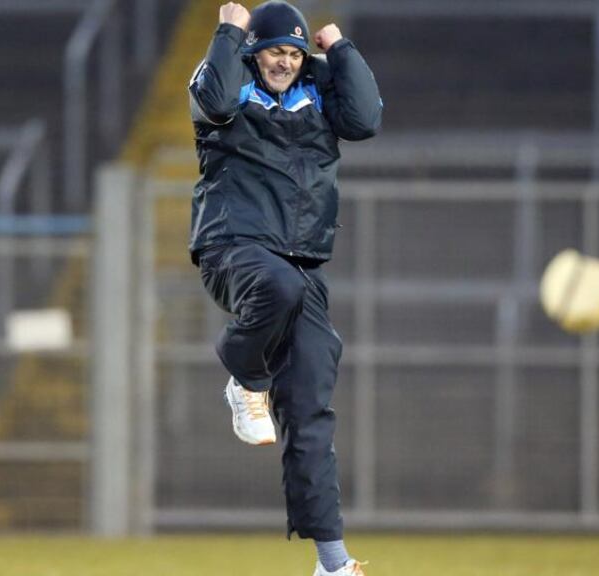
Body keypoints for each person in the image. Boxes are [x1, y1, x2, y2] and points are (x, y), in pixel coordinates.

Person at [187, 1, 382, 574]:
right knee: (279, 286)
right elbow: (213, 99)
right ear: (254, 49)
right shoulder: (228, 84)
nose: (285, 62)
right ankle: (243, 375)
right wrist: (228, 31)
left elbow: (365, 118)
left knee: (310, 405)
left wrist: (340, 48)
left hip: (299, 266)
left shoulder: (316, 92)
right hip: (232, 248)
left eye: (296, 53)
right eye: (275, 50)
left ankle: (332, 562)